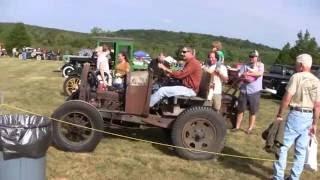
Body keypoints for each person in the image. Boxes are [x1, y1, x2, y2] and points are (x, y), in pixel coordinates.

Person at [272, 54, 320, 180]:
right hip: (309, 117)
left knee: (282, 146)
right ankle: (294, 178)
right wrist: (315, 123)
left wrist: (279, 115)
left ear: (301, 65)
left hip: (296, 114)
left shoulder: (296, 77)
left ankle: (278, 177)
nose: (294, 66)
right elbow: (318, 105)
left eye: (296, 64)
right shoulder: (317, 81)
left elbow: (287, 97)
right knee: (301, 150)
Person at [233, 50, 264, 134]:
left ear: (257, 57)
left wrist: (248, 74)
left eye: (253, 56)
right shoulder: (245, 65)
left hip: (254, 91)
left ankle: (249, 128)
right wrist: (242, 75)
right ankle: (237, 127)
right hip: (244, 90)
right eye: (250, 56)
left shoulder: (260, 65)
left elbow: (259, 73)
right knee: (240, 109)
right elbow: (240, 74)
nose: (252, 58)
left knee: (252, 111)